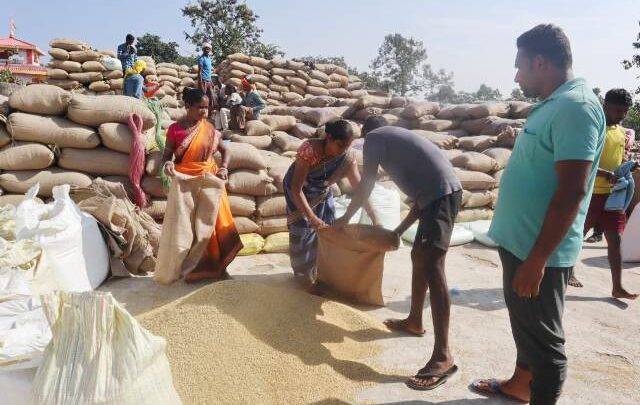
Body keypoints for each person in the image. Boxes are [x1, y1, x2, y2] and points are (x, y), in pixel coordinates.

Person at [471, 25, 605, 404]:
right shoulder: (553, 102)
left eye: (520, 67)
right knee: (526, 326)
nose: (516, 76)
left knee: (546, 346)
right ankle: (519, 384)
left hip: (538, 252)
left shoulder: (575, 108)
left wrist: (538, 259)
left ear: (540, 62)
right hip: (522, 244)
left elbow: (572, 191)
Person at [334, 115, 462, 391]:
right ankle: (415, 320)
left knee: (433, 266)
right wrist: (398, 230)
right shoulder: (398, 142)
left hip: (442, 197)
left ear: (367, 133)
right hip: (436, 197)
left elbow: (365, 184)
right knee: (419, 256)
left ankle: (443, 357)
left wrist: (346, 216)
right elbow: (419, 199)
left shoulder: (375, 139)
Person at [283, 120, 377, 292]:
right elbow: (296, 189)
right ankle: (303, 276)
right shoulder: (309, 150)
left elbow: (360, 189)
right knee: (303, 231)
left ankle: (321, 272)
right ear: (329, 137)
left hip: (321, 191)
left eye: (347, 146)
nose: (343, 151)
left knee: (330, 229)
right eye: (340, 145)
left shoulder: (347, 158)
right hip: (299, 190)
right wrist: (312, 217)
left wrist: (374, 216)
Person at [162, 88, 243, 282]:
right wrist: (168, 164)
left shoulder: (210, 129)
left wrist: (223, 167)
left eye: (207, 108)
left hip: (210, 181)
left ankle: (220, 268)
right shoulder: (175, 129)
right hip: (186, 182)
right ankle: (192, 270)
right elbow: (167, 156)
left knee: (216, 224)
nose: (204, 112)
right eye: (200, 107)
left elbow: (226, 151)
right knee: (188, 227)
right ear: (187, 107)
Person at [568, 89, 638, 298]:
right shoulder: (593, 128)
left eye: (625, 112)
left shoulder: (619, 132)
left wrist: (626, 168)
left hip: (613, 195)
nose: (622, 115)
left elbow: (616, 161)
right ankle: (568, 271)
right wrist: (606, 175)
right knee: (577, 236)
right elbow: (581, 161)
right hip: (591, 194)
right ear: (605, 105)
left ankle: (617, 287)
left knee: (615, 241)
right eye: (618, 110)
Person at [198, 42, 216, 118]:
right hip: (204, 81)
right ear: (203, 50)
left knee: (212, 98)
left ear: (210, 50)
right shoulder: (201, 59)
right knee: (203, 99)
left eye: (208, 49)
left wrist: (211, 82)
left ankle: (209, 115)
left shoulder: (209, 59)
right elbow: (199, 72)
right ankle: (201, 115)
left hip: (209, 81)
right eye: (205, 49)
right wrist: (201, 82)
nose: (207, 50)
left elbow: (209, 72)